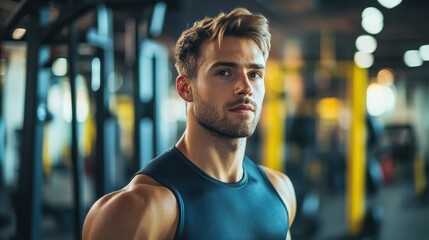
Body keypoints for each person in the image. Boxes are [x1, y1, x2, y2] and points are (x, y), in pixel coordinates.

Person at [83, 7, 296, 240]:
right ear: (186, 88)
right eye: (224, 72)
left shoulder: (280, 191)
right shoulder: (139, 210)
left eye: (255, 74)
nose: (245, 88)